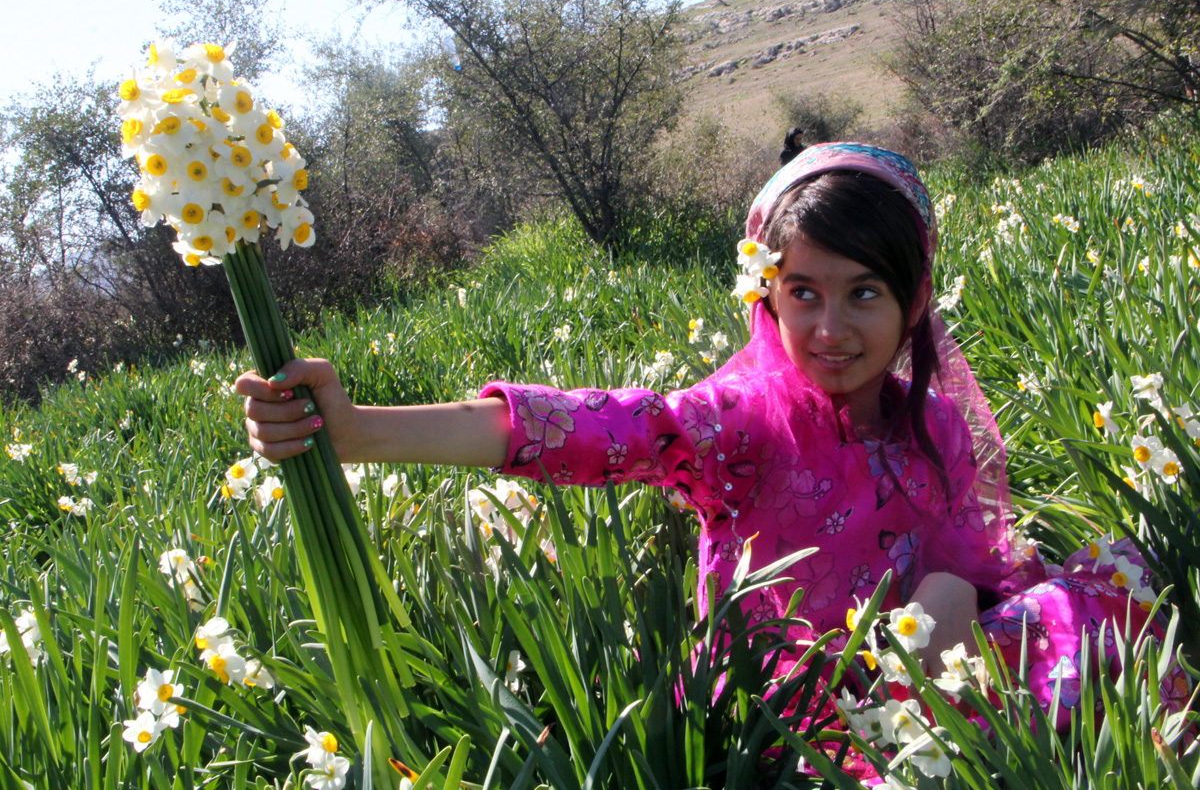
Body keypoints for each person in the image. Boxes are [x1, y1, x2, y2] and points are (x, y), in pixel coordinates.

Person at [237, 143, 1185, 776]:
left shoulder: (931, 424)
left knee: (1100, 588)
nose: (830, 327)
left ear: (914, 298)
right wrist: (360, 431)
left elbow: (975, 569)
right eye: (801, 292)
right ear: (765, 299)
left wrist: (949, 608)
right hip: (794, 717)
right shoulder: (739, 426)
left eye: (863, 293)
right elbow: (590, 427)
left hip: (922, 680)